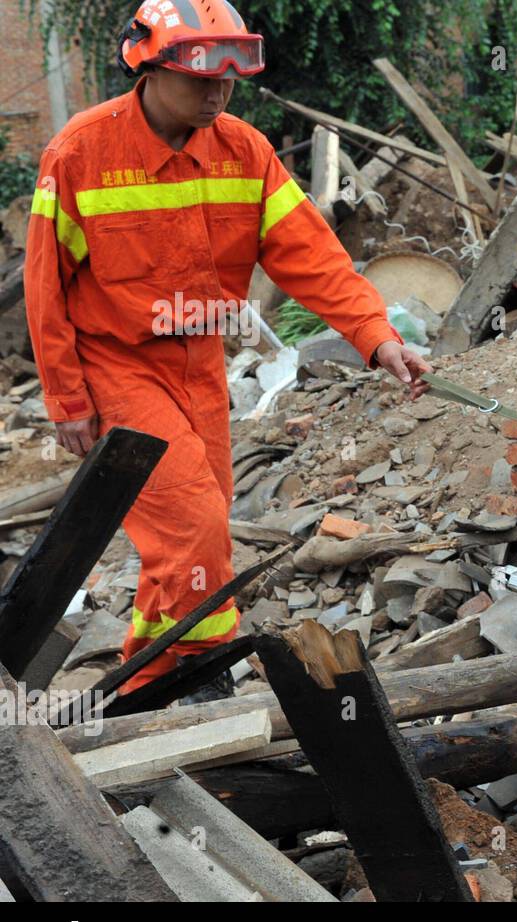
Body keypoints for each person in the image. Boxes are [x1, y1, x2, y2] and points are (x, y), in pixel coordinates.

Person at [24, 0, 431, 695]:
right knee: (196, 525)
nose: (216, 93)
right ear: (147, 71)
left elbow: (313, 258)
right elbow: (45, 287)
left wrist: (376, 335)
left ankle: (141, 685)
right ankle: (207, 674)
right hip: (116, 367)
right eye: (200, 79)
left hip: (200, 367)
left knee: (188, 539)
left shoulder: (246, 151)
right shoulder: (81, 152)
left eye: (228, 81)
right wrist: (67, 398)